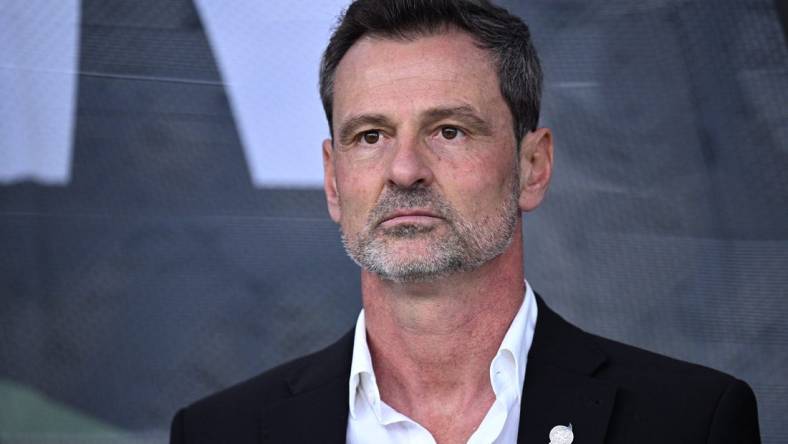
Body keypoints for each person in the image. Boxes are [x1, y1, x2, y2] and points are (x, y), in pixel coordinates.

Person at [170, 1, 761, 443]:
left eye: (448, 131)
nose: (404, 170)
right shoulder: (221, 433)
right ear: (332, 179)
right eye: (370, 136)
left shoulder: (688, 422)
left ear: (532, 166)